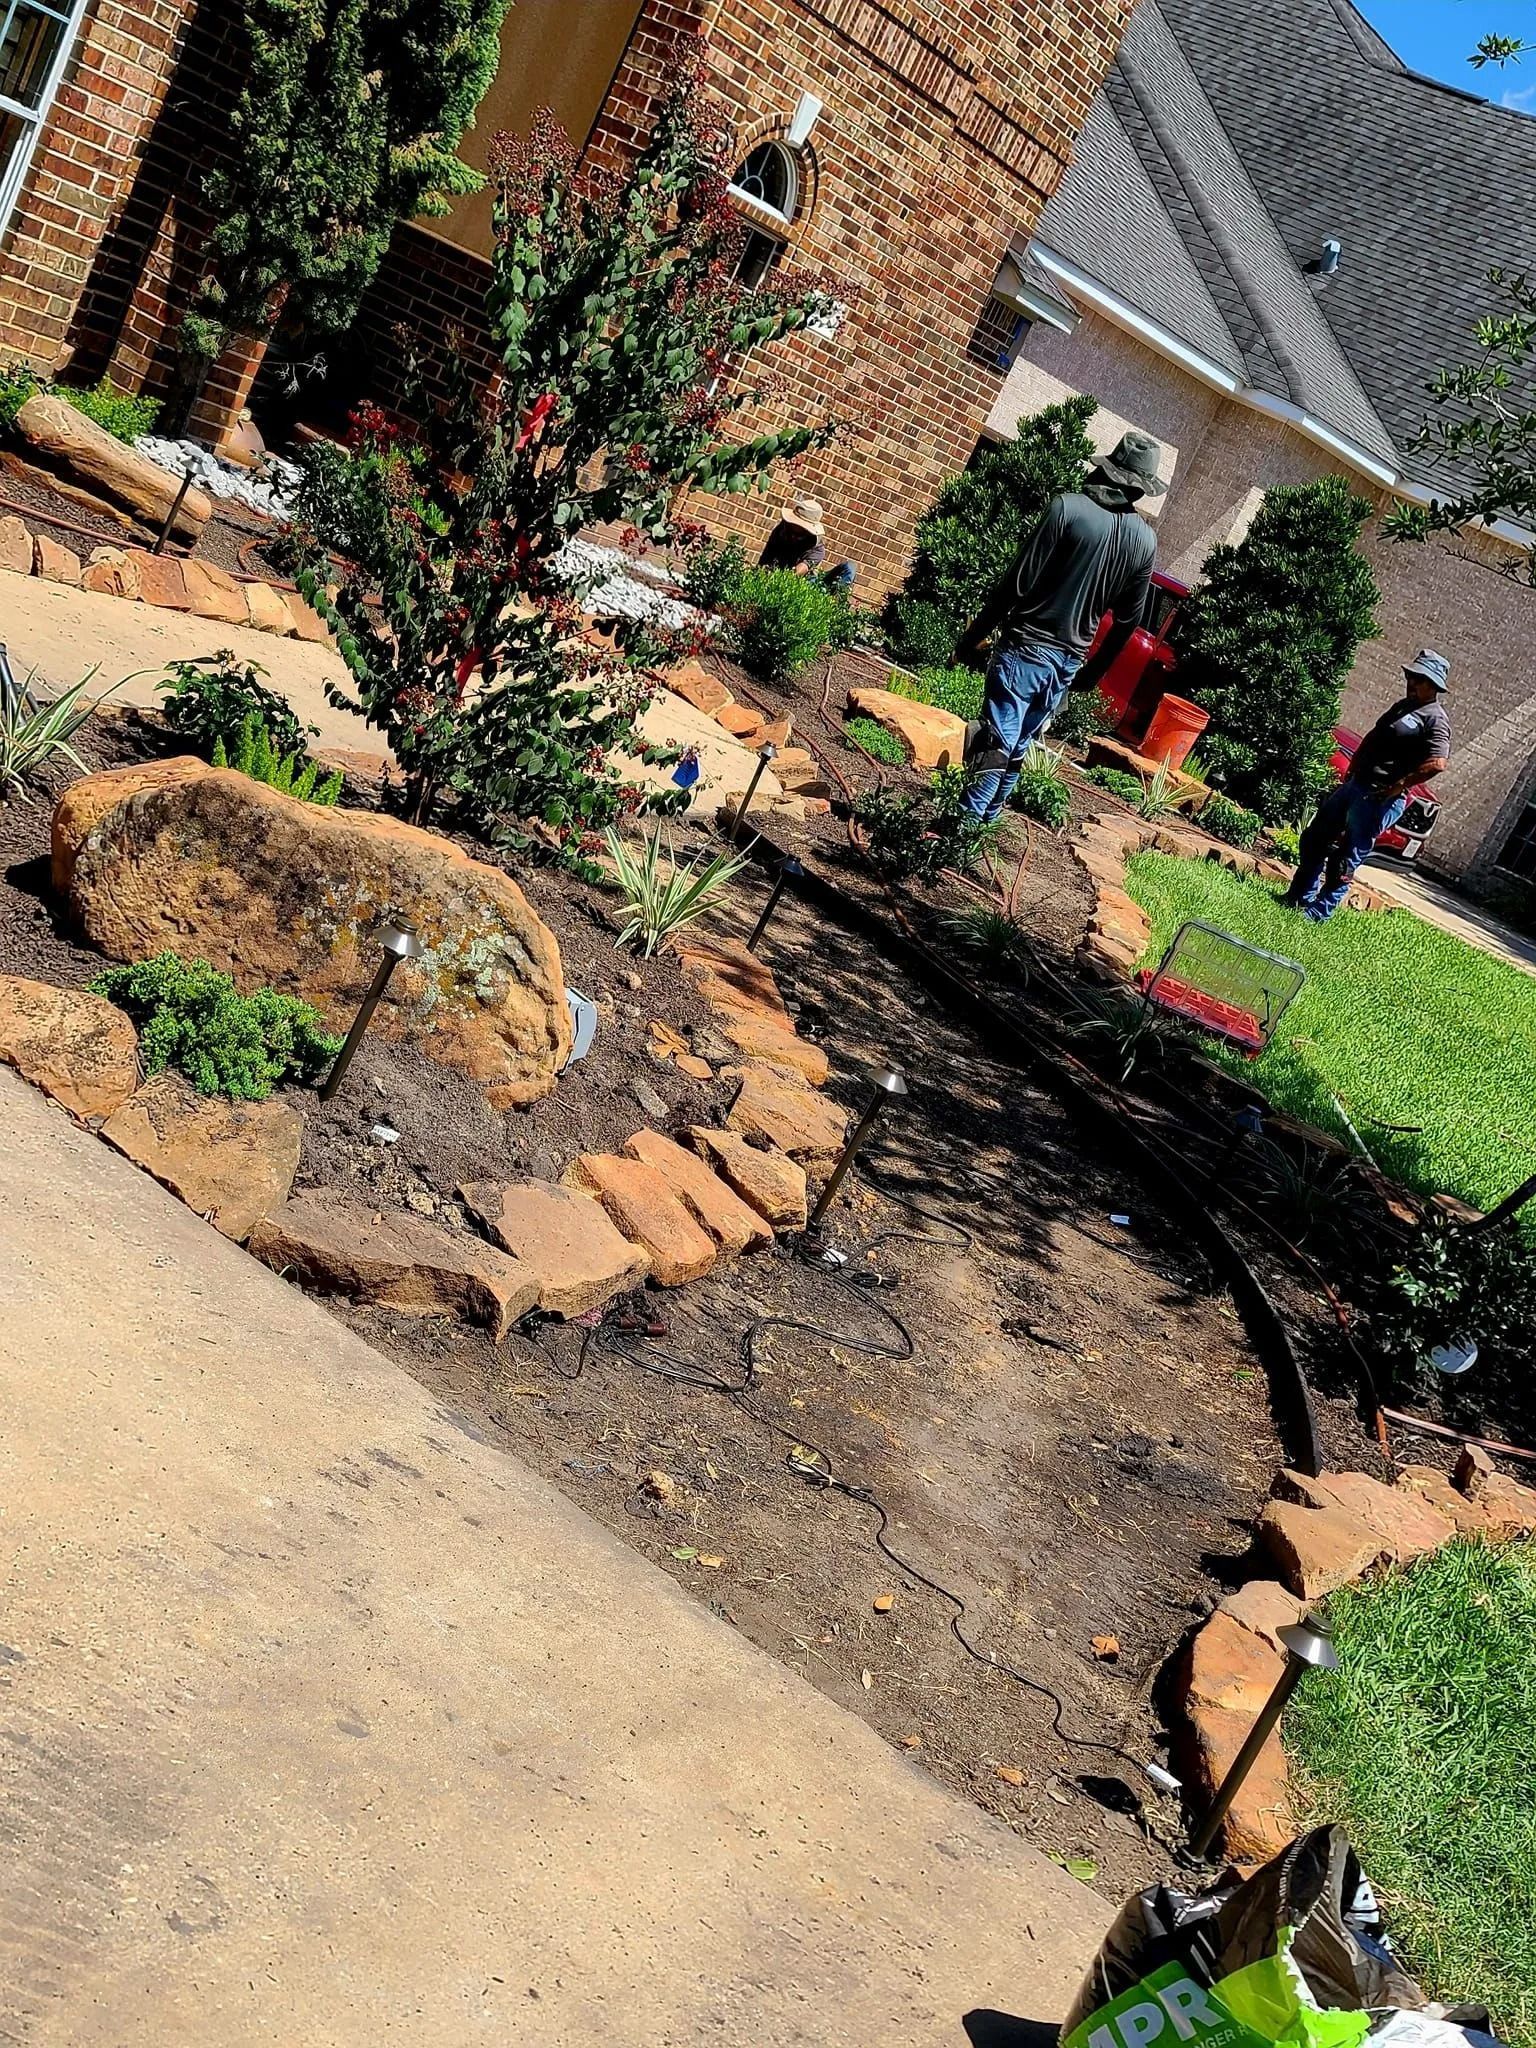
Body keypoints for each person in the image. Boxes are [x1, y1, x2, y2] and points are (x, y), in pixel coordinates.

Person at [955, 432, 1165, 822]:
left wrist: (971, 637)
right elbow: (1128, 619)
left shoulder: (1067, 509)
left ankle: (961, 825)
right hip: (1069, 660)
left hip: (1028, 644)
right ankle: (985, 823)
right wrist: (1092, 673)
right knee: (1018, 745)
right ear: (1141, 488)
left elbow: (1015, 584)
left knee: (998, 739)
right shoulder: (1144, 541)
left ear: (1107, 469)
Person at [1282, 650, 1452, 922]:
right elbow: (1375, 735)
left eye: (1419, 679)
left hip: (1378, 797)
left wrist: (1400, 785)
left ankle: (1318, 913)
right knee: (1315, 838)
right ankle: (1299, 895)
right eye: (1411, 676)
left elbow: (1437, 763)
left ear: (1434, 685)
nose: (1412, 682)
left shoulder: (1435, 719)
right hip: (1355, 785)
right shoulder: (1402, 705)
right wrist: (1352, 769)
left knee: (1346, 858)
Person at [759, 496, 827, 575]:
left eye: (798, 534)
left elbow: (794, 574)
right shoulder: (783, 528)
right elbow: (767, 556)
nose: (793, 536)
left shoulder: (816, 550)